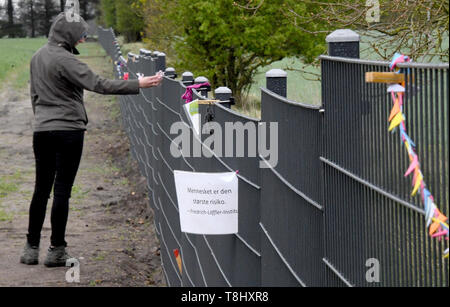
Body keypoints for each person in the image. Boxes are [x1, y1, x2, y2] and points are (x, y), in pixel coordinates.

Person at [20, 12, 163, 267]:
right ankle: (56, 249)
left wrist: (42, 121)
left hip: (41, 130)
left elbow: (34, 96)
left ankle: (30, 248)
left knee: (40, 189)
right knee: (61, 190)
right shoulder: (66, 60)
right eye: (80, 35)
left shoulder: (36, 57)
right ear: (68, 35)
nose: (83, 40)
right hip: (68, 131)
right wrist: (137, 84)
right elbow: (100, 84)